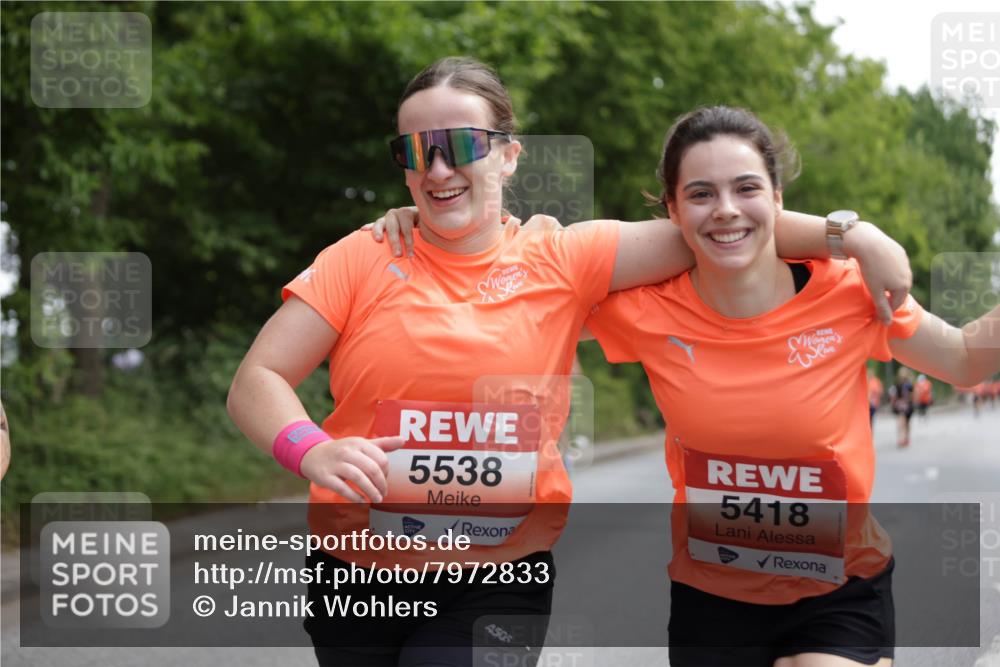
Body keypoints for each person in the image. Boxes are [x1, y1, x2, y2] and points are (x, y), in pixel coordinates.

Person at [229, 56, 912, 667]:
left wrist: (848, 233)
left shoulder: (562, 257)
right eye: (415, 151)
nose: (437, 169)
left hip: (497, 575)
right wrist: (310, 450)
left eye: (459, 145)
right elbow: (257, 379)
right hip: (356, 567)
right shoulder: (362, 255)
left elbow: (720, 227)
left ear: (507, 156)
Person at [579, 106, 1000, 667]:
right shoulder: (643, 310)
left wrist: (848, 237)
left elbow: (968, 360)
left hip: (840, 592)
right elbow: (517, 294)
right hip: (713, 600)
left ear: (777, 197)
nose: (726, 209)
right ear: (672, 210)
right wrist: (421, 230)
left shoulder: (849, 292)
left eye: (746, 188)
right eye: (701, 194)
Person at [890, 367, 915, 447]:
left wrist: (908, 400)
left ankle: (906, 437)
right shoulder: (897, 384)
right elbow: (894, 395)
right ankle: (901, 438)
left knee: (907, 423)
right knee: (901, 422)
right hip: (901, 406)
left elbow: (912, 395)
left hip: (908, 406)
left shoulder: (909, 385)